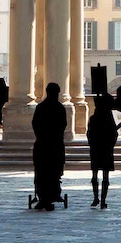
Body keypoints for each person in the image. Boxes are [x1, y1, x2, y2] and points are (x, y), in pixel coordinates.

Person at [32, 83, 67, 211]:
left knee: (41, 172)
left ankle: (43, 197)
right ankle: (53, 194)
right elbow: (63, 125)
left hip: (42, 144)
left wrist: (42, 136)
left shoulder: (41, 107)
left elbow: (35, 124)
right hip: (55, 144)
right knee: (54, 171)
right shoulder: (60, 108)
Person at [87, 94, 118, 209]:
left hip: (95, 148)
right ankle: (103, 200)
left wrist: (92, 143)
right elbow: (114, 135)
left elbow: (89, 134)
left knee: (94, 174)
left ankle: (95, 198)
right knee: (106, 176)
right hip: (106, 149)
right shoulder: (109, 119)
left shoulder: (93, 119)